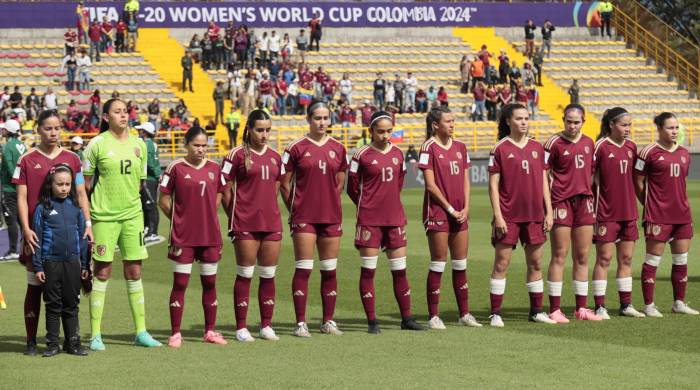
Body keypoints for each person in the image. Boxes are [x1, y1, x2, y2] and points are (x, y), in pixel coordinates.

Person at [84, 99, 161, 350]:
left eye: (125, 111)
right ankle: (96, 335)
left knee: (134, 271)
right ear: (106, 117)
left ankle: (141, 331)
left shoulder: (140, 144)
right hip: (104, 217)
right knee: (103, 271)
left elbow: (140, 183)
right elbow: (85, 185)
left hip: (132, 216)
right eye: (117, 112)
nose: (123, 116)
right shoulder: (96, 144)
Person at [14, 110, 90, 355]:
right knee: (35, 285)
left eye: (57, 127)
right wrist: (26, 229)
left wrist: (87, 224)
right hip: (38, 235)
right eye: (48, 128)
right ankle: (30, 341)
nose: (53, 132)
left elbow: (81, 194)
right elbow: (22, 198)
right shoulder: (26, 159)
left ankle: (68, 341)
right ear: (38, 129)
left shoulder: (73, 158)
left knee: (68, 291)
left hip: (65, 236)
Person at [348, 111, 424, 333]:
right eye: (380, 131)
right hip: (369, 220)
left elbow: (399, 183)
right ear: (371, 131)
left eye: (389, 131)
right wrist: (367, 206)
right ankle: (372, 321)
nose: (385, 135)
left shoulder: (398, 154)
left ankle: (407, 318)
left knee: (400, 270)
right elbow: (353, 188)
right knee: (368, 271)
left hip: (394, 219)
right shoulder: (360, 155)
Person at [280, 100, 347, 337]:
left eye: (325, 118)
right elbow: (285, 185)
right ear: (308, 119)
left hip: (330, 216)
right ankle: (301, 323)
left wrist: (328, 200)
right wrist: (296, 209)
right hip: (304, 217)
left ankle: (328, 320)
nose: (322, 122)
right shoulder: (295, 147)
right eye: (317, 118)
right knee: (304, 268)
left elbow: (340, 181)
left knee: (329, 270)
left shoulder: (338, 148)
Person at [488, 103, 555, 327]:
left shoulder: (538, 148)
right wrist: (498, 215)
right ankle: (495, 313)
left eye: (527, 118)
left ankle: (536, 311)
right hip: (508, 216)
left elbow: (545, 182)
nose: (524, 122)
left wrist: (549, 211)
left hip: (535, 215)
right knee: (501, 263)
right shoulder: (500, 148)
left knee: (536, 263)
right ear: (508, 121)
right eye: (519, 118)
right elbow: (493, 185)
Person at [159, 126, 227, 347]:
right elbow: (164, 199)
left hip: (210, 235)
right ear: (186, 145)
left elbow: (219, 193)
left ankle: (210, 331)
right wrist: (179, 219)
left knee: (210, 282)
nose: (201, 149)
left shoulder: (215, 168)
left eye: (204, 146)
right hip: (183, 237)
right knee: (180, 283)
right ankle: (176, 333)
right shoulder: (175, 167)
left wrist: (209, 214)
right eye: (196, 145)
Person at [221, 110, 283, 342]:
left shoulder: (276, 156)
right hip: (245, 222)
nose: (264, 134)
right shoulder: (235, 155)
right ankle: (241, 327)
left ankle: (266, 325)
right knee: (245, 273)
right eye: (260, 130)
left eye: (268, 130)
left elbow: (277, 185)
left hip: (271, 222)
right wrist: (236, 214)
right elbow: (224, 187)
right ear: (248, 129)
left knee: (268, 274)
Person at [418, 107, 481, 329]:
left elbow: (466, 179)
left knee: (460, 263)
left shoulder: (461, 147)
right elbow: (430, 185)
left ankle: (464, 313)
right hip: (437, 213)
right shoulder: (428, 147)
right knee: (438, 262)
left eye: (454, 121)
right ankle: (434, 315)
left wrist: (465, 208)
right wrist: (450, 208)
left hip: (459, 213)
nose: (452, 124)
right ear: (436, 125)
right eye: (448, 121)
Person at [634, 112, 698, 317]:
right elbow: (638, 181)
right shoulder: (647, 152)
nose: (674, 131)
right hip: (657, 216)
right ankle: (649, 305)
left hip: (682, 216)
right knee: (653, 260)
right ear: (659, 129)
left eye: (676, 127)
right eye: (670, 127)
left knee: (681, 260)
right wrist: (649, 203)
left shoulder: (684, 153)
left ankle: (678, 303)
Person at [544, 104, 601, 323]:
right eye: (569, 121)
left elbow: (593, 173)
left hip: (584, 202)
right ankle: (555, 309)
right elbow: (543, 174)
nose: (572, 125)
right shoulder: (553, 143)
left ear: (583, 121)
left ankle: (581, 308)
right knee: (559, 254)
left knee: (583, 256)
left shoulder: (589, 143)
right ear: (563, 120)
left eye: (576, 122)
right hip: (561, 202)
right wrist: (547, 207)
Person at [591, 107, 645, 319]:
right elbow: (589, 178)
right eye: (624, 125)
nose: (628, 129)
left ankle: (626, 304)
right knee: (604, 258)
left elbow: (637, 179)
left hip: (629, 212)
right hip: (605, 212)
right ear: (611, 125)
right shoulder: (600, 147)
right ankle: (600, 306)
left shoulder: (632, 146)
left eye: (630, 125)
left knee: (626, 259)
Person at [32, 164, 89, 357]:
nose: (64, 188)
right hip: (51, 262)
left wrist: (85, 263)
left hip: (73, 262)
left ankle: (73, 343)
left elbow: (82, 236)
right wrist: (38, 266)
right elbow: (36, 239)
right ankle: (52, 344)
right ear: (51, 184)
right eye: (60, 184)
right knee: (53, 304)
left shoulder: (76, 207)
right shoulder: (43, 208)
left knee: (71, 304)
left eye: (67, 184)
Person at [1, 119, 25, 260]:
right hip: (21, 188)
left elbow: (11, 168)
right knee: (22, 220)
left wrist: (16, 182)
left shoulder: (7, 146)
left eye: (4, 129)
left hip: (10, 188)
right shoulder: (22, 145)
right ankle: (25, 249)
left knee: (11, 220)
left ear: (8, 131)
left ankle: (13, 250)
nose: (2, 130)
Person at [136, 122, 160, 242]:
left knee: (150, 204)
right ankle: (147, 228)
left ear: (145, 132)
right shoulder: (150, 144)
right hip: (149, 178)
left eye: (140, 130)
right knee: (146, 204)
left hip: (149, 179)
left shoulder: (147, 144)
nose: (138, 132)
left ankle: (153, 231)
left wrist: (157, 175)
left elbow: (150, 163)